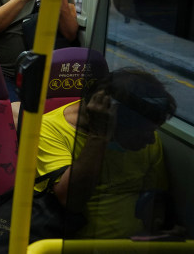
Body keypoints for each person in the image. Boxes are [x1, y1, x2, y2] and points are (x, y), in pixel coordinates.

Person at [36, 69, 176, 239]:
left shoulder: (145, 133)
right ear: (112, 118)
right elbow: (71, 201)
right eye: (142, 133)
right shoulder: (50, 131)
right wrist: (98, 134)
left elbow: (156, 198)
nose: (151, 140)